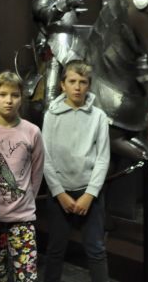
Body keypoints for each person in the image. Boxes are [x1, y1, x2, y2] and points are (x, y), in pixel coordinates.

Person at [41, 60, 110, 282]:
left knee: (96, 249)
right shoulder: (51, 115)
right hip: (59, 194)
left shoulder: (98, 116)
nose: (77, 87)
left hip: (89, 193)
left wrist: (90, 194)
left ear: (89, 85)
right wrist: (59, 193)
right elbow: (45, 157)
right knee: (55, 250)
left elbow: (102, 158)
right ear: (63, 84)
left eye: (83, 82)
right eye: (72, 81)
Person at [0, 71, 44, 282]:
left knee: (26, 275)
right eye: (2, 94)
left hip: (22, 218)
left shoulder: (32, 131)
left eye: (15, 95)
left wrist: (27, 200)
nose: (8, 100)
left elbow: (37, 172)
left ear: (21, 98)